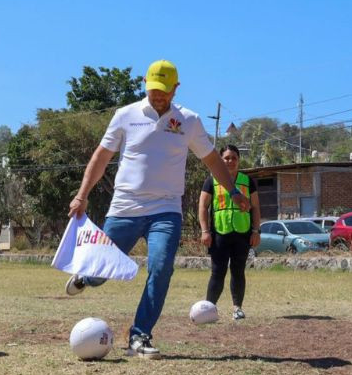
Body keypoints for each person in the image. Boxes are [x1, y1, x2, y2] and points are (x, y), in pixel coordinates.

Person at [64, 60, 249, 359]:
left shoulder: (188, 121)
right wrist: (81, 194)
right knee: (100, 269)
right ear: (145, 86)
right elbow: (100, 157)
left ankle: (139, 335)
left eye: (164, 91)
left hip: (166, 210)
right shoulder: (125, 115)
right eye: (153, 90)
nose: (158, 96)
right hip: (125, 207)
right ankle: (87, 276)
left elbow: (212, 160)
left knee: (161, 267)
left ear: (175, 89)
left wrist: (234, 191)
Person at [198, 144, 261, 320]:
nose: (230, 161)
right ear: (220, 160)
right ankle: (208, 309)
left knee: (238, 271)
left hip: (242, 234)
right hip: (220, 234)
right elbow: (203, 207)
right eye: (226, 158)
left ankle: (237, 308)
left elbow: (255, 208)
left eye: (234, 158)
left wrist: (256, 231)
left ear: (239, 160)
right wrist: (205, 231)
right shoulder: (211, 181)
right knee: (217, 272)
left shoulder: (248, 181)